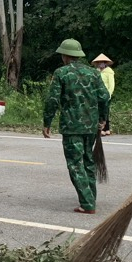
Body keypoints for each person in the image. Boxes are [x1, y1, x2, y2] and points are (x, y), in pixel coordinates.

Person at [43, 39, 111, 214]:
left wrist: (47, 122)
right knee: (88, 161)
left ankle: (87, 203)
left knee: (75, 164)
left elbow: (52, 100)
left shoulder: (61, 73)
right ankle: (91, 197)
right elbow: (104, 97)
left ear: (65, 56)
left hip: (72, 126)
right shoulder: (94, 73)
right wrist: (103, 119)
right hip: (91, 127)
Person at [92, 53, 115, 135]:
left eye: (102, 62)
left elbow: (111, 84)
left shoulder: (109, 72)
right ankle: (101, 129)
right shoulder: (95, 72)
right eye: (99, 63)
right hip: (97, 94)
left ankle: (106, 128)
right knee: (98, 111)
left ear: (105, 63)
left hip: (106, 94)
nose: (100, 64)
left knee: (106, 111)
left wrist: (109, 94)